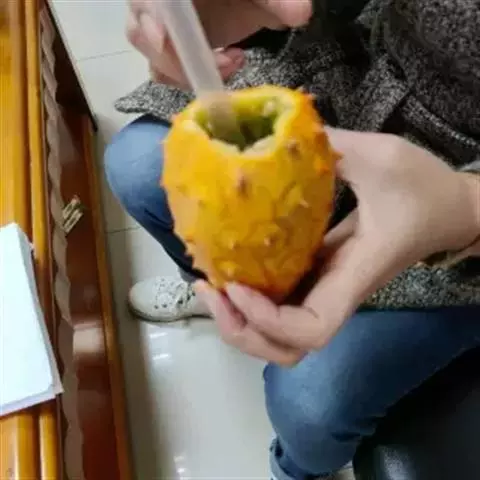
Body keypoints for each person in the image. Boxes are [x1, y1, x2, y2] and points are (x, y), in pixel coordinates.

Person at [105, 0, 480, 478]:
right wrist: (263, 9)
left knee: (308, 404)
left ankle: (294, 470)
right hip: (359, 69)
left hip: (462, 216)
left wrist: (466, 207)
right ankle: (227, 289)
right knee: (137, 165)